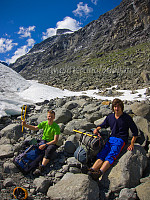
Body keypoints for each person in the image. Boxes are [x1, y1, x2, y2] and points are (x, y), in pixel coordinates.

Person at [88, 98, 138, 181]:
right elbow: (104, 124)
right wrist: (97, 129)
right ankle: (92, 169)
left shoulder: (127, 118)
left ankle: (100, 172)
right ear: (112, 108)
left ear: (122, 107)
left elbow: (135, 132)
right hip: (111, 139)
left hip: (120, 140)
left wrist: (132, 143)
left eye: (118, 107)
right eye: (115, 106)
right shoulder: (110, 117)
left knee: (111, 155)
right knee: (102, 154)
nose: (116, 108)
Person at [22, 110, 60, 175]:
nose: (50, 118)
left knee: (49, 150)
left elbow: (55, 141)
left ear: (54, 117)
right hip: (43, 141)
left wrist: (45, 145)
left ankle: (41, 167)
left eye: (51, 116)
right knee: (27, 143)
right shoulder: (44, 123)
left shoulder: (56, 127)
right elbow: (35, 128)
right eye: (49, 116)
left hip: (51, 143)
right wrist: (25, 125)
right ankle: (24, 157)